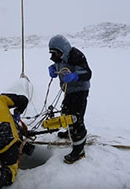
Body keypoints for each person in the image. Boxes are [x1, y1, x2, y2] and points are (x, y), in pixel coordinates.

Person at [48, 35, 92, 164]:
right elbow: (58, 65)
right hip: (68, 91)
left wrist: (75, 76)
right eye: (53, 53)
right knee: (66, 112)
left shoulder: (76, 56)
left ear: (64, 50)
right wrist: (53, 69)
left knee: (76, 119)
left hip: (80, 90)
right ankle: (70, 132)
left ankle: (79, 150)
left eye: (57, 53)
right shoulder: (60, 57)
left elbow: (88, 73)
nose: (56, 56)